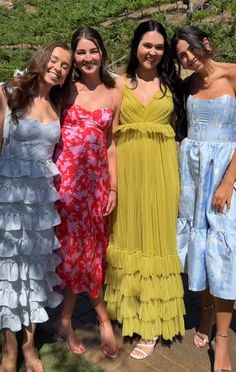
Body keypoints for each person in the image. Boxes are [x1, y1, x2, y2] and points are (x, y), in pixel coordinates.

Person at [104, 20, 185, 360]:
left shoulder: (174, 85)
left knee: (156, 240)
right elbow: (110, 136)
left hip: (162, 173)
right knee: (130, 238)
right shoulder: (120, 84)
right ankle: (130, 313)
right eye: (147, 45)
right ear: (136, 45)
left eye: (159, 46)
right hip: (130, 171)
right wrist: (113, 184)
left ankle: (151, 323)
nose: (152, 52)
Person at [0, 42, 72, 372]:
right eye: (54, 60)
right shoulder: (9, 92)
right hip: (9, 198)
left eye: (65, 65)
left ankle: (30, 347)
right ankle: (10, 347)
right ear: (42, 60)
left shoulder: (60, 102)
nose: (58, 67)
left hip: (42, 200)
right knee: (9, 273)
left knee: (35, 272)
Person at [171, 25, 236, 372]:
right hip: (194, 178)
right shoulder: (188, 85)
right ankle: (207, 315)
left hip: (227, 176)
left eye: (191, 50)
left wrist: (227, 183)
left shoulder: (233, 74)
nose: (189, 58)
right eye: (182, 55)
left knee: (225, 253)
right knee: (202, 249)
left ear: (206, 43)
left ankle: (222, 343)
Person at [53, 26, 120, 358]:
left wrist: (114, 188)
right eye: (81, 52)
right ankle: (93, 319)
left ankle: (69, 318)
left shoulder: (113, 92)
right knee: (71, 255)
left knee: (93, 253)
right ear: (74, 57)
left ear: (102, 52)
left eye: (93, 50)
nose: (88, 57)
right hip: (66, 187)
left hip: (96, 188)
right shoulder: (65, 91)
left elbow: (111, 145)